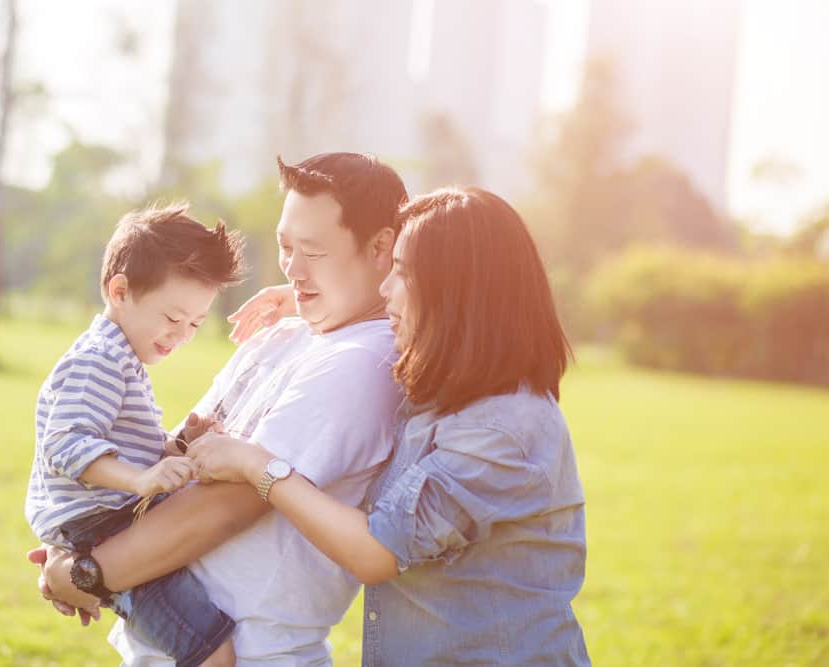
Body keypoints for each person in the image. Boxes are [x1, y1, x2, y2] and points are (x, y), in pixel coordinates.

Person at [31, 152, 411, 666]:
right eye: (284, 247)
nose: (292, 269)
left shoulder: (361, 362)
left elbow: (227, 505)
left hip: (252, 653)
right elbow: (177, 470)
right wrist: (75, 541)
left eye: (313, 252)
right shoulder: (284, 334)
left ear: (381, 247)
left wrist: (86, 574)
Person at [189, 186, 591, 665]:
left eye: (401, 273)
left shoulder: (504, 428)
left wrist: (260, 468)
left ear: (455, 291)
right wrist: (307, 299)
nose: (385, 289)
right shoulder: (445, 386)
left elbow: (378, 552)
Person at [25, 203, 245, 667]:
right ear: (119, 290)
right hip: (105, 528)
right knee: (212, 654)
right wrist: (141, 481)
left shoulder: (122, 354)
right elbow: (66, 445)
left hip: (108, 523)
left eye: (195, 325)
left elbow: (124, 443)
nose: (181, 335)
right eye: (172, 318)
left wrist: (177, 444)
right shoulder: (101, 358)